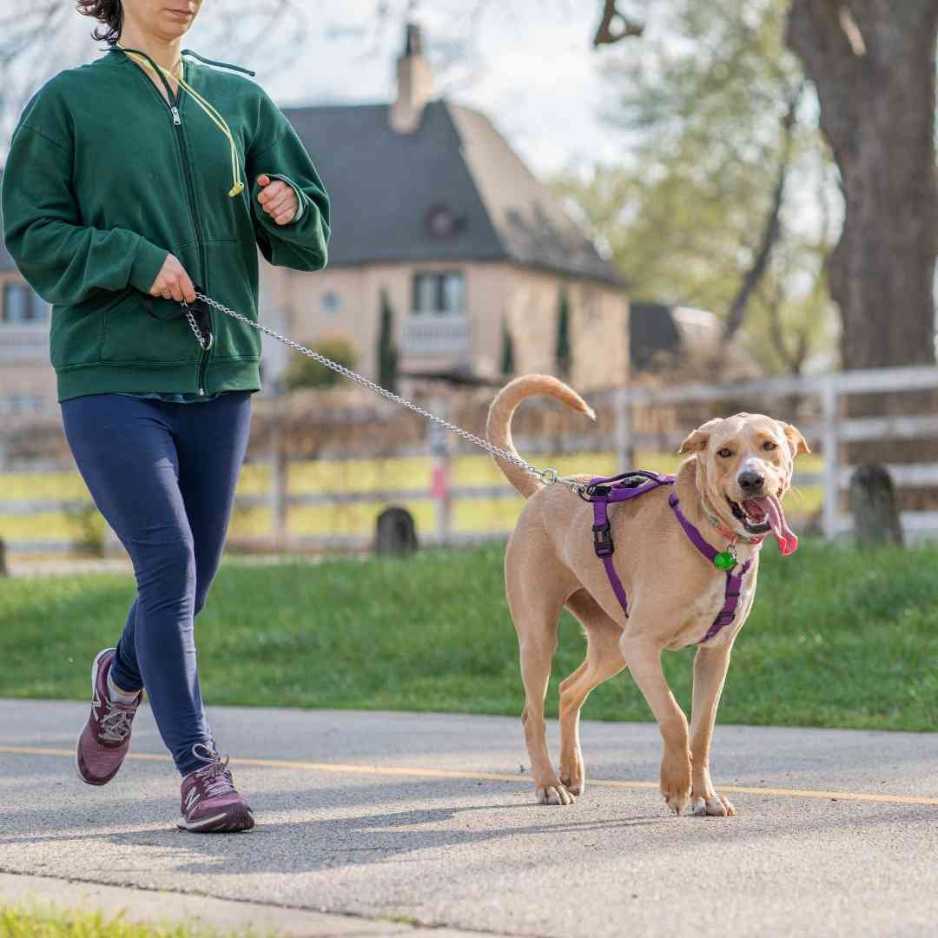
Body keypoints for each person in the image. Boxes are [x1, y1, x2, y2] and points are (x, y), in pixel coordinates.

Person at [1, 0, 330, 833]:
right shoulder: (69, 102)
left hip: (221, 376)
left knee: (192, 578)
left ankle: (120, 680)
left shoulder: (240, 98)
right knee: (170, 559)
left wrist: (285, 207)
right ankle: (200, 771)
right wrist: (133, 259)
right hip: (110, 376)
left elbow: (310, 237)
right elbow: (31, 233)